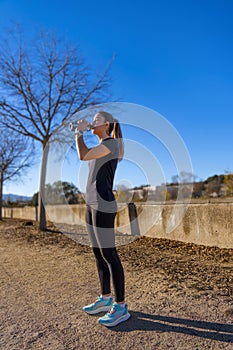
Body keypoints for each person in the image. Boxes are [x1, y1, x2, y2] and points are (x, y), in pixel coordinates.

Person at [75, 111, 130, 327]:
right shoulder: (101, 147)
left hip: (104, 204)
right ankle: (105, 298)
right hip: (91, 204)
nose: (93, 121)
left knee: (109, 253)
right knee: (97, 252)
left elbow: (83, 154)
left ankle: (121, 306)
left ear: (106, 125)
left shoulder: (112, 144)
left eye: (96, 119)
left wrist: (79, 133)